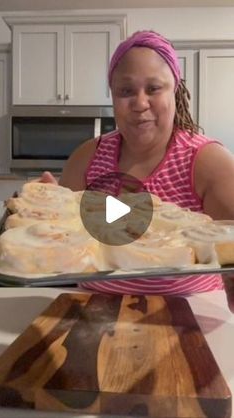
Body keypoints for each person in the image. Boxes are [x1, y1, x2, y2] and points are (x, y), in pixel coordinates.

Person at [40, 30, 234, 298]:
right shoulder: (87, 158)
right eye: (126, 91)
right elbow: (67, 245)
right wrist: (49, 210)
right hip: (92, 314)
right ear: (113, 96)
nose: (140, 103)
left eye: (154, 88)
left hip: (190, 319)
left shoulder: (207, 162)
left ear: (174, 91)